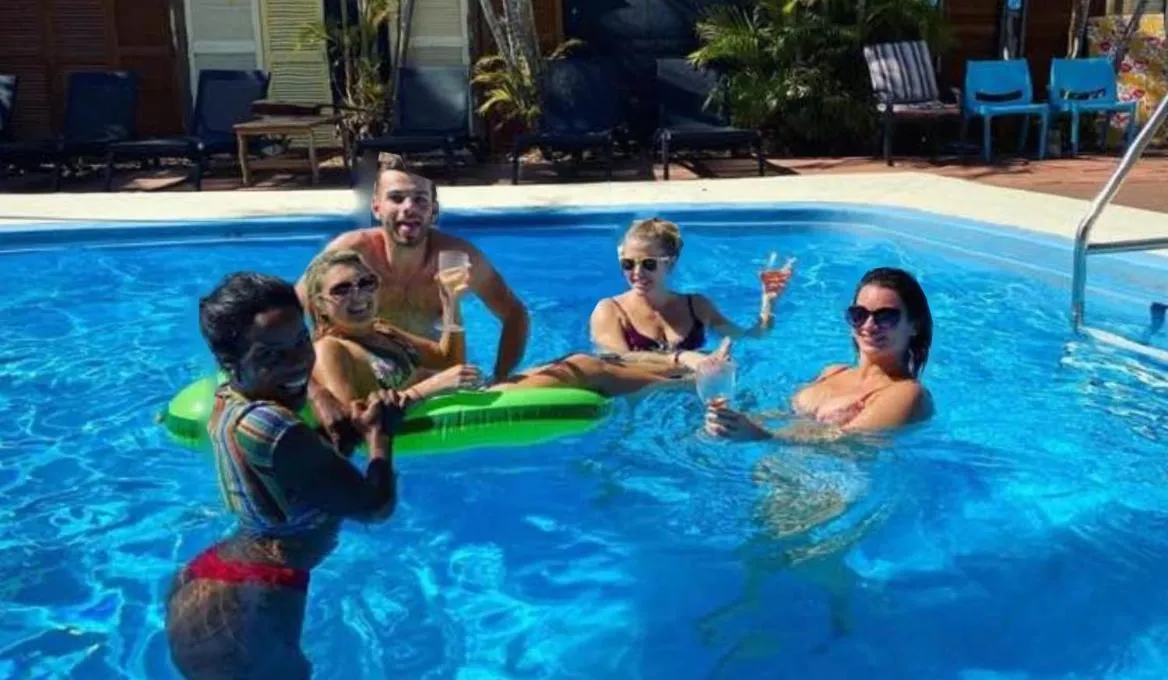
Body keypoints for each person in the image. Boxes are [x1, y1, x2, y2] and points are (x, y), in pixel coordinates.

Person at [166, 272, 405, 680]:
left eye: (301, 340)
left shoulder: (229, 399)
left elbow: (300, 475)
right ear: (235, 362)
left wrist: (326, 412)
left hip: (213, 585)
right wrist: (381, 435)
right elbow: (375, 506)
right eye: (271, 354)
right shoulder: (276, 430)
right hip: (245, 612)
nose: (296, 360)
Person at [301, 249, 729, 408]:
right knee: (582, 367)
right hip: (440, 406)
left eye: (366, 283)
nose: (358, 295)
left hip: (461, 396)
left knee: (577, 361)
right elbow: (347, 421)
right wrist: (427, 390)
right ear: (320, 303)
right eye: (342, 290)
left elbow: (451, 362)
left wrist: (451, 306)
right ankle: (692, 387)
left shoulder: (379, 330)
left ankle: (687, 374)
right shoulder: (332, 351)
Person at [296, 154, 529, 383]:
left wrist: (500, 376)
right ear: (376, 208)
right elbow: (290, 310)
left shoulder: (460, 259)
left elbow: (515, 314)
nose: (409, 207)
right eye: (396, 198)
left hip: (435, 372)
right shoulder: (350, 255)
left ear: (433, 211)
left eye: (420, 199)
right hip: (366, 377)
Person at [704, 267, 934, 442]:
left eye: (886, 316)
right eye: (859, 314)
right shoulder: (833, 371)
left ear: (914, 325)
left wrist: (760, 435)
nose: (869, 325)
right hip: (774, 472)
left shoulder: (907, 393)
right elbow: (787, 420)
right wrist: (729, 418)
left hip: (827, 492)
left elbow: (849, 445)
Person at [589, 217, 790, 356]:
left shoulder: (697, 307)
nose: (637, 273)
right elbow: (616, 367)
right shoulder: (610, 311)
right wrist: (685, 361)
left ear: (671, 262)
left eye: (649, 264)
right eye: (628, 264)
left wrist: (768, 304)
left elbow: (751, 337)